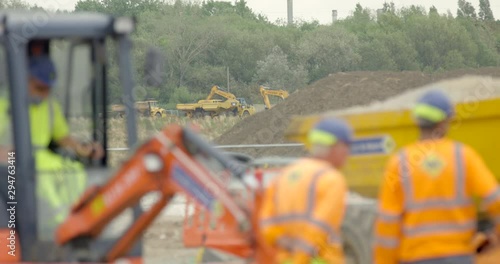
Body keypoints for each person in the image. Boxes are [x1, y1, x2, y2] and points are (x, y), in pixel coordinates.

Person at [373, 90, 500, 264]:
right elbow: (495, 200)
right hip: (459, 255)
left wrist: (385, 261)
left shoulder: (399, 162)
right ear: (444, 121)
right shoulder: (462, 156)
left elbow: (387, 222)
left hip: (415, 257)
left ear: (418, 121)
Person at [0, 55, 104, 241]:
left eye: (48, 89)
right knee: (42, 177)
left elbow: (62, 137)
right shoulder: (4, 106)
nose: (45, 93)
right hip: (12, 161)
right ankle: (57, 227)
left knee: (75, 171)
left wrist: (84, 149)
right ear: (25, 80)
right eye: (40, 88)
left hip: (42, 156)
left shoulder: (49, 106)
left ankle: (75, 220)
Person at [258, 117, 353, 264]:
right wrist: (301, 258)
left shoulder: (284, 176)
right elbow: (320, 228)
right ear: (335, 146)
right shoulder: (331, 179)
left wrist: (284, 243)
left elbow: (267, 222)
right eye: (347, 146)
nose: (349, 153)